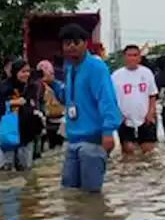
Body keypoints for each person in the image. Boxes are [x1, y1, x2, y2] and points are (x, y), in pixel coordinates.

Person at [48, 23, 121, 193]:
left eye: (76, 42)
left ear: (85, 44)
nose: (72, 47)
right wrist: (52, 84)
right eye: (67, 43)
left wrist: (108, 131)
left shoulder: (96, 68)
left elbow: (107, 100)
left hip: (93, 140)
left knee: (91, 195)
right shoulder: (69, 68)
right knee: (69, 192)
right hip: (73, 139)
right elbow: (69, 98)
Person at [0, 57, 44, 171]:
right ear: (15, 72)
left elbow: (33, 107)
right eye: (23, 71)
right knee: (5, 171)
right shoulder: (4, 87)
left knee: (25, 171)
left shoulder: (32, 87)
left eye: (28, 71)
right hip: (7, 133)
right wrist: (12, 102)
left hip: (26, 133)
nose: (26, 74)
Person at [112, 44, 159, 155]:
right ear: (124, 57)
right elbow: (111, 99)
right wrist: (118, 114)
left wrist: (151, 113)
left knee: (149, 152)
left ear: (139, 57)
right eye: (129, 55)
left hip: (145, 119)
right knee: (128, 152)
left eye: (135, 55)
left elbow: (152, 95)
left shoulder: (147, 73)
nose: (132, 58)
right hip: (125, 120)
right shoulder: (116, 76)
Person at [37, 59, 66, 150]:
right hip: (44, 119)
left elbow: (64, 100)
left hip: (58, 118)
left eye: (52, 73)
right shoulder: (37, 86)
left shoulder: (59, 86)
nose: (51, 75)